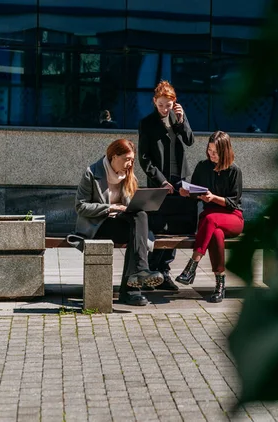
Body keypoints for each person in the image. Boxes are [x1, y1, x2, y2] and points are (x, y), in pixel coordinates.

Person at [74, 139, 164, 306]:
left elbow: (130, 206)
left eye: (132, 160)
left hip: (120, 223)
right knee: (137, 232)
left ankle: (140, 272)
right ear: (114, 156)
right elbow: (80, 206)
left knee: (140, 217)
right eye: (126, 159)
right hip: (98, 226)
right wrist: (110, 207)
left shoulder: (128, 175)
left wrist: (136, 205)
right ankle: (131, 290)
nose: (129, 164)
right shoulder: (92, 173)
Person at [138, 80, 195, 291]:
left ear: (174, 103)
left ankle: (165, 271)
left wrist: (180, 120)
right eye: (161, 104)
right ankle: (153, 271)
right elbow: (144, 159)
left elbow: (189, 140)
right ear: (155, 102)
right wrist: (161, 180)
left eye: (168, 105)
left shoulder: (178, 116)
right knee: (159, 227)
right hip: (160, 181)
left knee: (175, 228)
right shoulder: (147, 123)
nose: (164, 109)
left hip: (180, 179)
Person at [175, 131, 244, 303]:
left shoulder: (234, 170)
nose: (211, 154)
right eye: (209, 150)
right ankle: (220, 285)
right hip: (210, 219)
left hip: (232, 217)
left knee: (211, 219)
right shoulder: (202, 166)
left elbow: (234, 202)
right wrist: (187, 192)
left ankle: (192, 264)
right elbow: (195, 192)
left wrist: (214, 198)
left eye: (215, 152)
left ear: (225, 151)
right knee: (216, 234)